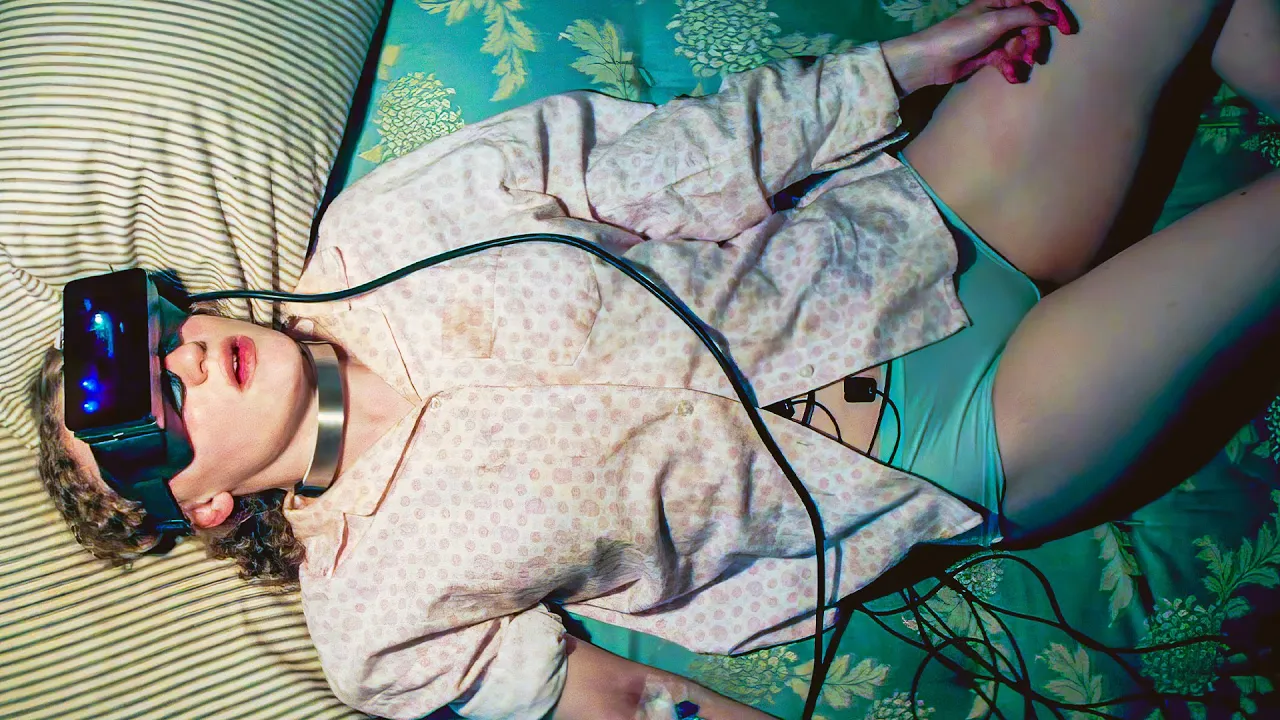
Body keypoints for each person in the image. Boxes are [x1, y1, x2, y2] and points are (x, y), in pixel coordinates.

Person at [30, 0, 1280, 717]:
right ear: (203, 503)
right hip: (946, 440)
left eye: (155, 335)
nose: (181, 358)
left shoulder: (386, 232)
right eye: (151, 413)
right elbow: (622, 704)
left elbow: (665, 162)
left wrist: (895, 68)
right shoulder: (373, 622)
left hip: (916, 220)